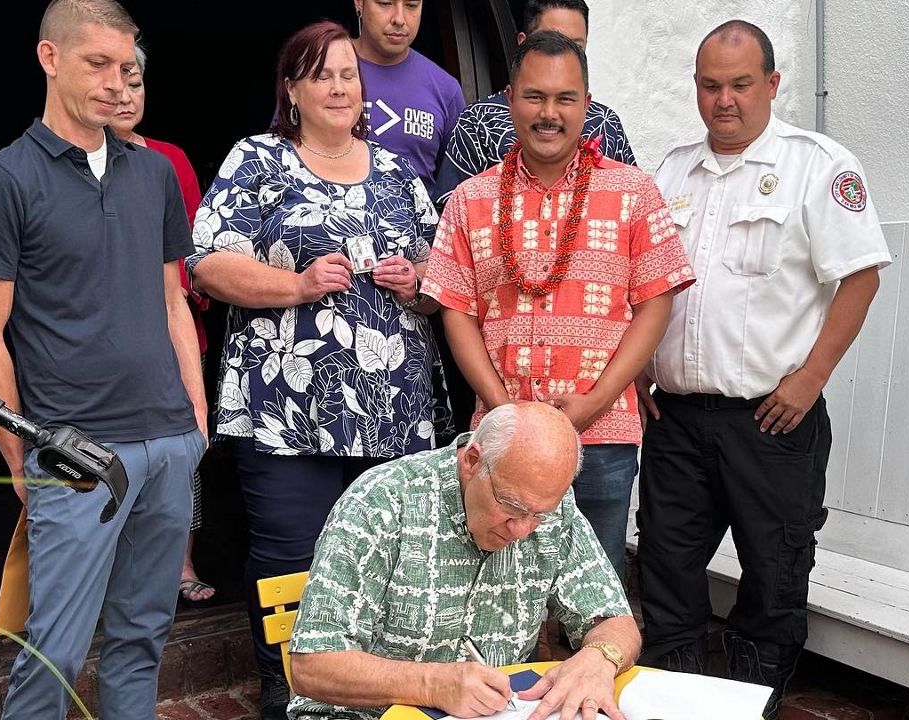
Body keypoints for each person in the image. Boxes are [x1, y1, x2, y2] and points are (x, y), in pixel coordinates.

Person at [186, 21, 452, 719]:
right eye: (321, 74)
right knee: (288, 555)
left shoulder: (396, 171)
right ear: (293, 89)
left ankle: (372, 687)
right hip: (287, 407)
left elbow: (444, 279)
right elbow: (208, 262)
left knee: (386, 554)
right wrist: (298, 286)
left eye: (348, 75)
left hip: (392, 411)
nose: (339, 87)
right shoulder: (260, 160)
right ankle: (289, 684)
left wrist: (414, 279)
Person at [0, 1, 206, 717]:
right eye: (97, 63)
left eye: (126, 68)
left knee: (142, 638)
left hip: (166, 443)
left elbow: (171, 299)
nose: (116, 83)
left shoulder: (153, 172)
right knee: (54, 652)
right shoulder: (4, 179)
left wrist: (194, 416)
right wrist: (18, 455)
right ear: (49, 57)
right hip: (72, 451)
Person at [635, 21, 890, 719]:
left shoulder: (818, 166)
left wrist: (810, 380)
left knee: (773, 577)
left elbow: (861, 277)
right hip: (678, 417)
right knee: (665, 570)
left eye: (741, 85)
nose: (725, 101)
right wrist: (636, 369)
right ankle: (670, 702)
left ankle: (754, 706)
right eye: (711, 86)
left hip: (772, 419)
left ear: (772, 85)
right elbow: (645, 281)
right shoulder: (671, 173)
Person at [422, 30, 694, 580]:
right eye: (535, 97)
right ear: (509, 98)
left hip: (602, 435)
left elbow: (655, 304)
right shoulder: (471, 199)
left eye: (565, 99)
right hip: (500, 438)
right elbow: (457, 310)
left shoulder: (635, 193)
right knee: (499, 595)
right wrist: (503, 409)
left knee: (593, 593)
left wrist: (596, 400)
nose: (550, 113)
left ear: (586, 106)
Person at [287, 402, 640, 720]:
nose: (521, 529)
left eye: (538, 515)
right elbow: (313, 666)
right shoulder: (381, 502)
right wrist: (431, 684)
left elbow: (615, 620)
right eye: (511, 507)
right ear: (472, 461)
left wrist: (600, 656)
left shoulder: (552, 509)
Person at [110, 43, 215, 606]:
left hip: (174, 331)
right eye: (115, 81)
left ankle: (181, 563)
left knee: (184, 450)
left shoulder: (170, 159)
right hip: (109, 342)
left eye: (137, 82)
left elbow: (195, 247)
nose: (126, 95)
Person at [433, 0, 637, 209]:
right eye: (549, 42)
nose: (561, 56)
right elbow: (450, 211)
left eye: (576, 47)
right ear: (522, 42)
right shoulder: (479, 121)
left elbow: (632, 202)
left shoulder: (605, 123)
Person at [351, 0, 465, 193]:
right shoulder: (320, 71)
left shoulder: (445, 89)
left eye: (411, 5)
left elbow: (455, 193)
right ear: (359, 3)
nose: (399, 19)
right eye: (385, 3)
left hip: (413, 220)